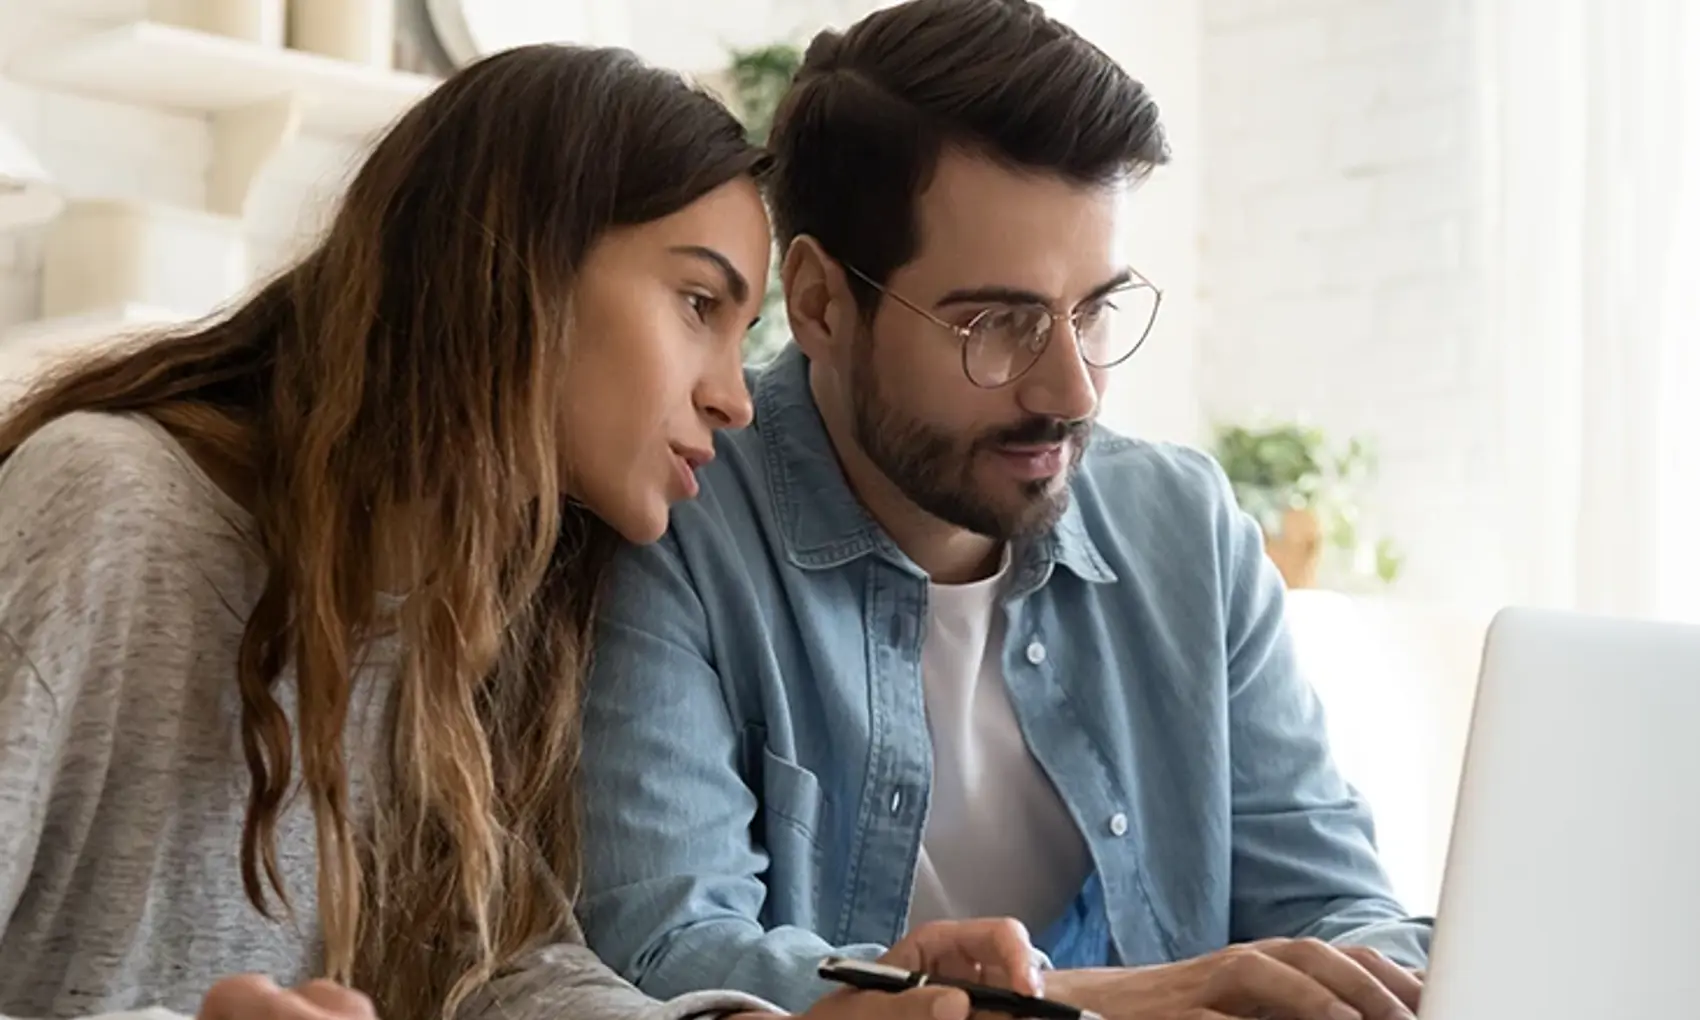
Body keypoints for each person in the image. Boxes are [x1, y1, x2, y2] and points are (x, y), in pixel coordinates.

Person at [0, 43, 1041, 1020]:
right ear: (516, 273)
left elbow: (499, 970)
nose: (734, 396)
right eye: (695, 303)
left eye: (742, 334)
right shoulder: (109, 508)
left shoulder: (481, 606)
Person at [575, 3, 1433, 1020]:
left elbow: (1337, 906)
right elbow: (668, 958)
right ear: (817, 305)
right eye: (995, 323)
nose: (1072, 391)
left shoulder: (1185, 530)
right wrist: (1112, 1001)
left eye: (1094, 310)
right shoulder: (675, 522)